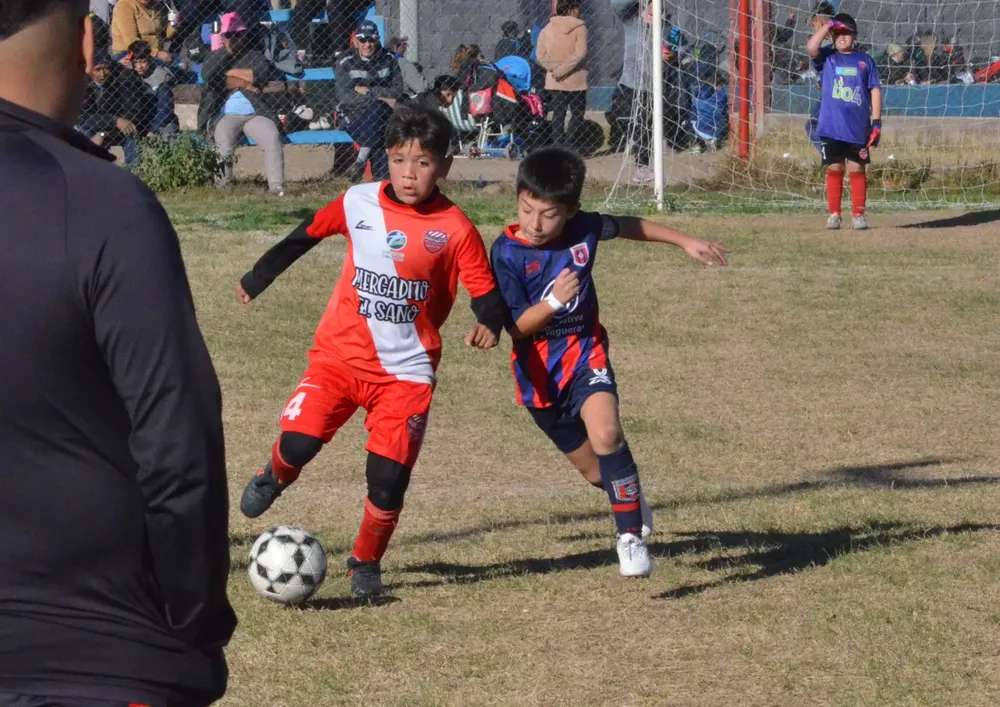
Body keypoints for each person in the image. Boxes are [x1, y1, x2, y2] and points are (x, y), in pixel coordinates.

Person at [0, 1, 236, 705]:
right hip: (94, 655)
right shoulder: (100, 203)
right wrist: (194, 615)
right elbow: (178, 445)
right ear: (84, 41)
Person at [234, 105, 507, 600]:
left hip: (406, 373)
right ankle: (275, 474)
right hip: (338, 359)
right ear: (386, 158)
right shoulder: (357, 201)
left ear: (444, 166)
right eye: (401, 159)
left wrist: (489, 322)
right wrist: (258, 277)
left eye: (423, 163)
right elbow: (304, 236)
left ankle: (365, 561)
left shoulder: (456, 227)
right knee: (299, 443)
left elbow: (485, 292)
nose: (409, 172)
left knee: (387, 480)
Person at [489, 146, 728, 578]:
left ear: (572, 211)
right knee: (597, 473)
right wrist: (554, 301)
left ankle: (629, 538)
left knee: (607, 433)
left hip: (586, 354)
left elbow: (630, 226)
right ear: (518, 199)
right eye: (528, 211)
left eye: (549, 215)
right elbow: (518, 329)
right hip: (540, 379)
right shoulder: (506, 253)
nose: (536, 224)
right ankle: (629, 497)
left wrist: (685, 241)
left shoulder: (585, 229)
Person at [807, 13, 882, 231]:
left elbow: (874, 89)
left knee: (857, 168)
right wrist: (828, 26)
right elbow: (811, 47)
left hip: (858, 128)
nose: (842, 37)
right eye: (838, 34)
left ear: (854, 36)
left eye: (846, 33)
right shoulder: (827, 58)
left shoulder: (865, 60)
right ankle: (834, 214)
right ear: (831, 36)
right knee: (835, 166)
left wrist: (876, 122)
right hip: (831, 127)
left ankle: (858, 214)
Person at [199, 11, 286, 196]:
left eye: (238, 34)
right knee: (223, 140)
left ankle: (277, 188)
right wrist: (244, 82)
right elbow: (210, 77)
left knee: (272, 136)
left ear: (244, 34)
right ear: (222, 36)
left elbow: (260, 75)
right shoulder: (215, 56)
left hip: (255, 113)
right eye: (229, 34)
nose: (234, 38)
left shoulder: (254, 55)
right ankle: (223, 188)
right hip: (226, 114)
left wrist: (228, 74)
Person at [335, 19, 403, 182]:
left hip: (382, 115)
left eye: (371, 39)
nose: (367, 44)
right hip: (354, 114)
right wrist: (382, 97)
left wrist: (369, 92)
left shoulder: (389, 59)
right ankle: (382, 181)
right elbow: (345, 97)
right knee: (381, 132)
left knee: (378, 114)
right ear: (355, 42)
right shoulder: (345, 61)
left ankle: (361, 161)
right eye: (363, 40)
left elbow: (398, 90)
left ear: (377, 40)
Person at [77, 48, 153, 165]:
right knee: (83, 132)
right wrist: (113, 122)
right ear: (89, 69)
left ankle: (135, 171)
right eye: (97, 69)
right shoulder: (83, 84)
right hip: (99, 127)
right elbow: (85, 118)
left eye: (106, 68)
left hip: (122, 127)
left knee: (132, 133)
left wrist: (116, 124)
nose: (102, 74)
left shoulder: (124, 79)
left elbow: (132, 112)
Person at [536, 0, 588, 147]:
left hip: (555, 80)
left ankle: (558, 147)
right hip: (576, 80)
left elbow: (540, 55)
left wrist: (555, 70)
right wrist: (563, 70)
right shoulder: (581, 28)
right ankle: (569, 144)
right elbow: (580, 53)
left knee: (558, 115)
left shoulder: (547, 28)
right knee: (577, 115)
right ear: (571, 10)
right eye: (577, 8)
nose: (579, 11)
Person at [804, 2, 835, 154]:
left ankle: (829, 154)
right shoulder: (841, 42)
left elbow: (812, 49)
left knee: (812, 125)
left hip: (831, 94)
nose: (813, 28)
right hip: (834, 91)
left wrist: (826, 25)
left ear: (820, 22)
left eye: (814, 25)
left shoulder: (826, 45)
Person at [110, 0, 177, 60]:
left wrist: (174, 24)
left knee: (182, 64)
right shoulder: (124, 5)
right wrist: (157, 53)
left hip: (153, 52)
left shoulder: (155, 5)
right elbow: (132, 42)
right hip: (130, 53)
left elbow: (164, 36)